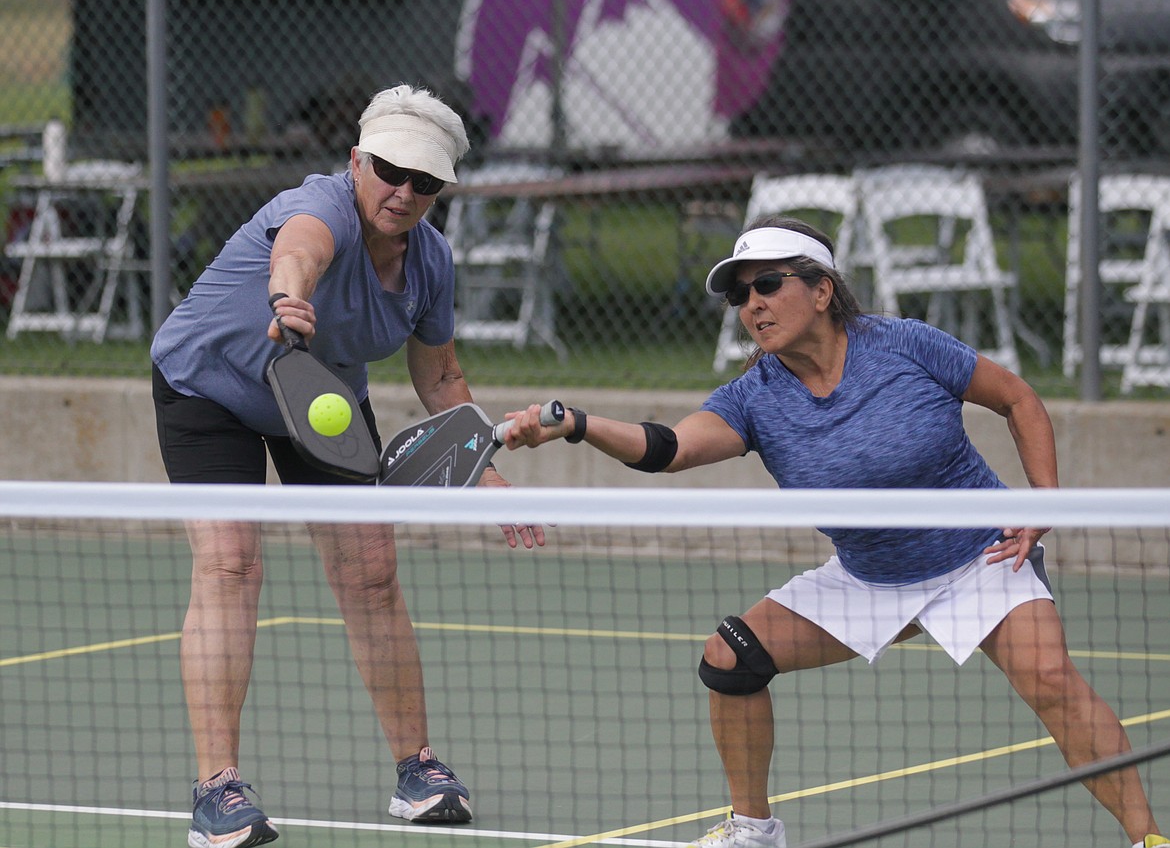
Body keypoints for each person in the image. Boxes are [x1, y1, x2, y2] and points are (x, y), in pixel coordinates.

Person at [501, 217, 1166, 848]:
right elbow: (668, 445)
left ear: (821, 289)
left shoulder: (905, 345)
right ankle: (752, 830)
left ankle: (1148, 837)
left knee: (1051, 680)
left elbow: (1018, 397)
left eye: (768, 284)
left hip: (979, 554)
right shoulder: (754, 396)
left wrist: (1044, 498)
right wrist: (580, 422)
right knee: (731, 657)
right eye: (740, 293)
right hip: (868, 575)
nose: (752, 304)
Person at [151, 83, 545, 848]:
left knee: (371, 569)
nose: (403, 192)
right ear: (356, 159)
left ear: (442, 190)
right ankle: (216, 791)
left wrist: (481, 465)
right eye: (390, 170)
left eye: (424, 181)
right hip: (211, 384)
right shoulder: (322, 205)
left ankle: (417, 769)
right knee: (230, 562)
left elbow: (439, 376)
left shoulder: (431, 261)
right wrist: (287, 296)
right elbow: (300, 248)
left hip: (318, 398)